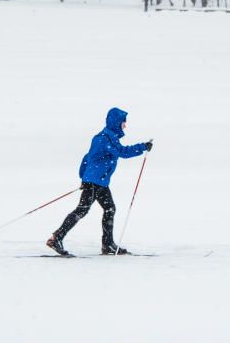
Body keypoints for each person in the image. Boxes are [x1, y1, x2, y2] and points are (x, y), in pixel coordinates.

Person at [46, 107, 153, 256]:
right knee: (82, 209)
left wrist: (84, 177)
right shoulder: (105, 138)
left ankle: (108, 244)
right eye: (123, 122)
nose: (125, 125)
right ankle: (57, 238)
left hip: (99, 182)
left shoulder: (105, 137)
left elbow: (86, 158)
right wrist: (142, 147)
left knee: (109, 209)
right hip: (95, 182)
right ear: (116, 122)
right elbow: (123, 152)